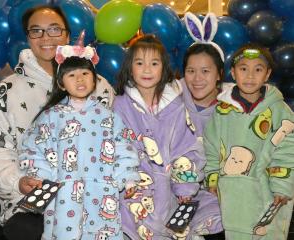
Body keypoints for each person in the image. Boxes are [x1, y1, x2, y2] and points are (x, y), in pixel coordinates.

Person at [0, 5, 113, 240]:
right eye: (36, 31)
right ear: (27, 37)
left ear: (67, 35)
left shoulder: (99, 87)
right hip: (30, 205)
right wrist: (18, 181)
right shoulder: (5, 91)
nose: (46, 37)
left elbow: (111, 145)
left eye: (54, 29)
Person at [18, 41, 140, 239]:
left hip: (101, 192)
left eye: (85, 74)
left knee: (102, 233)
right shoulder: (51, 116)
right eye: (71, 75)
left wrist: (126, 178)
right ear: (60, 83)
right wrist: (39, 177)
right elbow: (35, 148)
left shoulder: (108, 116)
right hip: (64, 196)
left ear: (94, 79)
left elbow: (123, 147)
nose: (80, 80)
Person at [113, 34, 222, 240]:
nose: (147, 69)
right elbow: (114, 149)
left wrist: (185, 187)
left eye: (154, 63)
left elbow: (187, 148)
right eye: (139, 63)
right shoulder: (118, 106)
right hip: (131, 194)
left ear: (163, 68)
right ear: (130, 67)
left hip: (167, 193)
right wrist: (125, 180)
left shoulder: (176, 107)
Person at [204, 43, 294, 240]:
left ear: (268, 74)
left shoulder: (280, 111)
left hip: (268, 193)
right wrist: (212, 176)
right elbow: (210, 147)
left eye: (258, 70)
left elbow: (288, 151)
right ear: (233, 73)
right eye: (243, 69)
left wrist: (282, 185)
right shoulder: (221, 112)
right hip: (231, 195)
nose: (250, 76)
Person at [181, 12, 226, 240]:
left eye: (205, 71)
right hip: (173, 196)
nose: (197, 78)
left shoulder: (231, 108)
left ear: (219, 74)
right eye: (191, 71)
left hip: (216, 199)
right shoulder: (171, 102)